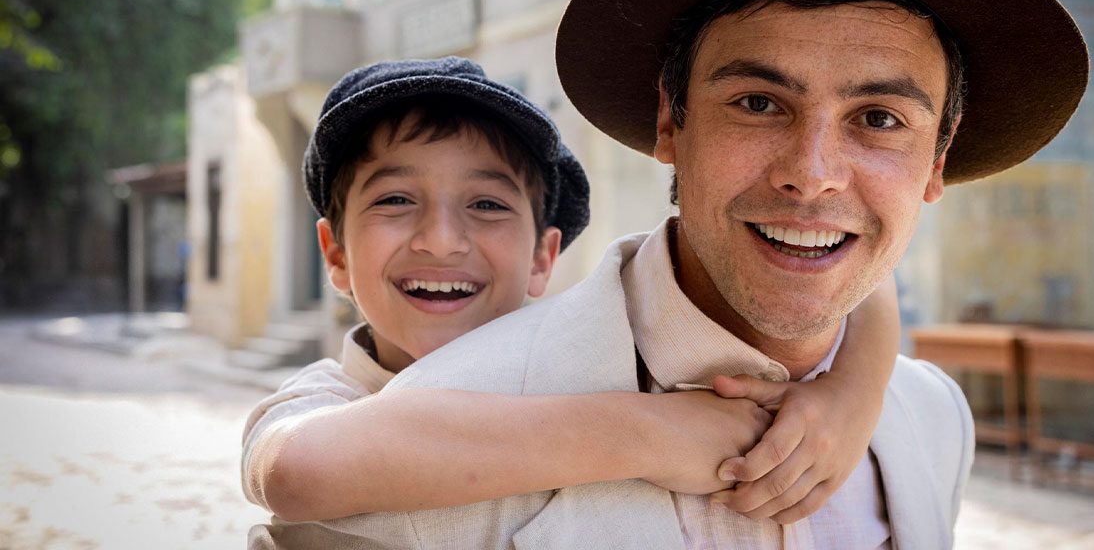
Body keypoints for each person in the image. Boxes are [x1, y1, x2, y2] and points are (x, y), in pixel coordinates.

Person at [242, 56, 904, 545]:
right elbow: (294, 469)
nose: (441, 240)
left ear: (542, 257)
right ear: (334, 254)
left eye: (487, 204)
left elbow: (853, 276)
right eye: (394, 200)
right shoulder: (330, 398)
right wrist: (654, 434)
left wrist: (852, 397)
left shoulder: (598, 349)